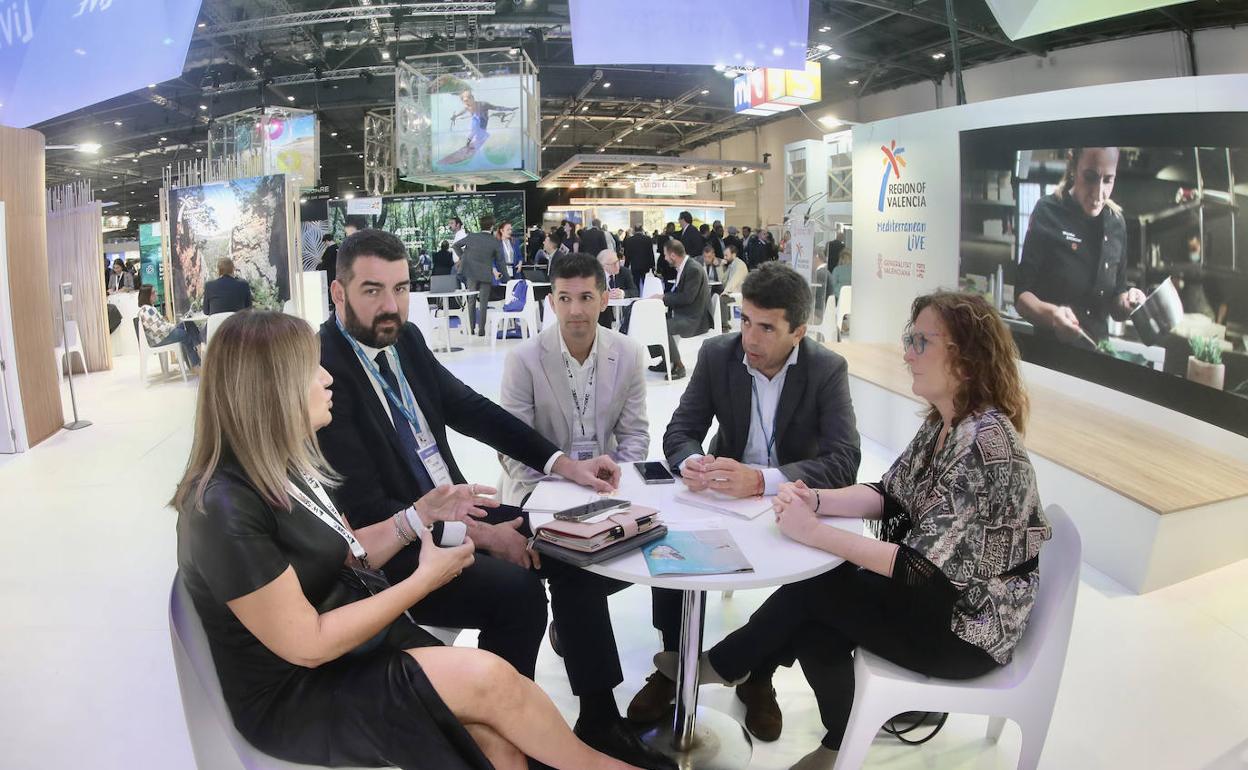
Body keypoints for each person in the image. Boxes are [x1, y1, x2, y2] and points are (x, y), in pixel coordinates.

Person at [173, 310, 644, 770]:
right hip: (300, 690)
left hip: (350, 644)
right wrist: (423, 580)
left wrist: (417, 516)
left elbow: (349, 554)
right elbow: (307, 644)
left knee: (498, 741)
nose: (326, 378)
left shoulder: (284, 467)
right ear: (270, 390)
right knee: (492, 684)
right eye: (310, 370)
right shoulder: (222, 508)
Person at [316, 229, 673, 769]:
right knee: (517, 593)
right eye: (372, 291)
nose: (391, 306)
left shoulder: (403, 339)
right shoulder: (326, 374)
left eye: (401, 288)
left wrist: (562, 463)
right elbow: (372, 513)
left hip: (455, 509)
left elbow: (473, 410)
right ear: (339, 294)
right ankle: (496, 733)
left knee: (573, 550)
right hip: (398, 549)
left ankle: (598, 718)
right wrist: (483, 535)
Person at [670, 292, 1052, 770]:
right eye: (908, 340)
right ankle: (826, 729)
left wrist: (814, 531)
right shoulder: (949, 424)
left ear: (966, 355)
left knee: (816, 593)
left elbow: (919, 569)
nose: (907, 353)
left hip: (968, 629)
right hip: (947, 600)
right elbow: (890, 492)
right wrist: (816, 500)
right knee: (817, 617)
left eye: (920, 341)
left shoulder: (983, 444)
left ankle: (725, 666)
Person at [628, 263, 861, 741]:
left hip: (787, 502)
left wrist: (764, 480)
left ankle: (758, 673)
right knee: (667, 542)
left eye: (767, 327)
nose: (750, 338)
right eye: (744, 320)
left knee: (819, 575)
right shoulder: (719, 355)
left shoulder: (826, 370)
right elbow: (681, 431)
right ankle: (677, 665)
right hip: (720, 498)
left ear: (798, 331)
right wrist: (690, 460)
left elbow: (844, 462)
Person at [1016, 146, 1145, 345]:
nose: (1099, 192)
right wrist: (1054, 316)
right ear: (1073, 166)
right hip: (1050, 356)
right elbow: (1022, 298)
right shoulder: (1047, 211)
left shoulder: (1116, 222)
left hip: (1098, 357)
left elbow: (1116, 303)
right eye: (1090, 177)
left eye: (1108, 179)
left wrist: (1128, 301)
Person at [642, 241, 710, 380]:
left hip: (694, 318)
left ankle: (679, 366)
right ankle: (666, 359)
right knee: (652, 322)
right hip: (686, 313)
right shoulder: (685, 267)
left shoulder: (693, 269)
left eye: (666, 255)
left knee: (663, 326)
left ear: (673, 255)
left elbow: (687, 298)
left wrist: (663, 297)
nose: (665, 258)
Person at [453, 215, 510, 337]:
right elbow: (501, 262)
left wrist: (464, 257)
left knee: (471, 300)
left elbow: (456, 246)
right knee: (484, 302)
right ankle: (482, 330)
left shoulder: (472, 236)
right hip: (485, 274)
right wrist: (507, 279)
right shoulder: (494, 241)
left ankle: (471, 328)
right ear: (492, 226)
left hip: (471, 273)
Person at [137, 284, 202, 370]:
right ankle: (197, 362)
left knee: (189, 324)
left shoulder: (147, 309)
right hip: (160, 338)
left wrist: (172, 326)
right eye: (153, 292)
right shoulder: (147, 310)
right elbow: (158, 329)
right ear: (147, 296)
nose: (156, 294)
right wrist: (173, 327)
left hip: (162, 335)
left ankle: (197, 355)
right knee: (186, 335)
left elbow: (160, 326)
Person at [596, 248, 638, 330]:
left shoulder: (625, 272)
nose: (617, 266)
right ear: (602, 266)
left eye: (617, 262)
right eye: (612, 264)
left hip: (622, 313)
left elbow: (635, 291)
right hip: (602, 316)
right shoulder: (595, 275)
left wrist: (623, 293)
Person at [718, 243, 747, 332]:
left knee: (722, 299)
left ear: (733, 254)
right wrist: (721, 266)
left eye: (726, 255)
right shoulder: (731, 265)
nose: (725, 257)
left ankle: (724, 325)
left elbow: (734, 281)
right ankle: (725, 322)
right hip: (732, 292)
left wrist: (726, 291)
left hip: (739, 294)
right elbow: (723, 281)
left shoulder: (740, 265)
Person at [623, 225, 655, 290]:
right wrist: (653, 265)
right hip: (645, 265)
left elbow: (627, 255)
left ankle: (637, 297)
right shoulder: (648, 239)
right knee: (646, 283)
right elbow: (650, 253)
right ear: (642, 230)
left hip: (635, 265)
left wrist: (626, 266)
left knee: (635, 283)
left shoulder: (629, 240)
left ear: (634, 231)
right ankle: (646, 297)